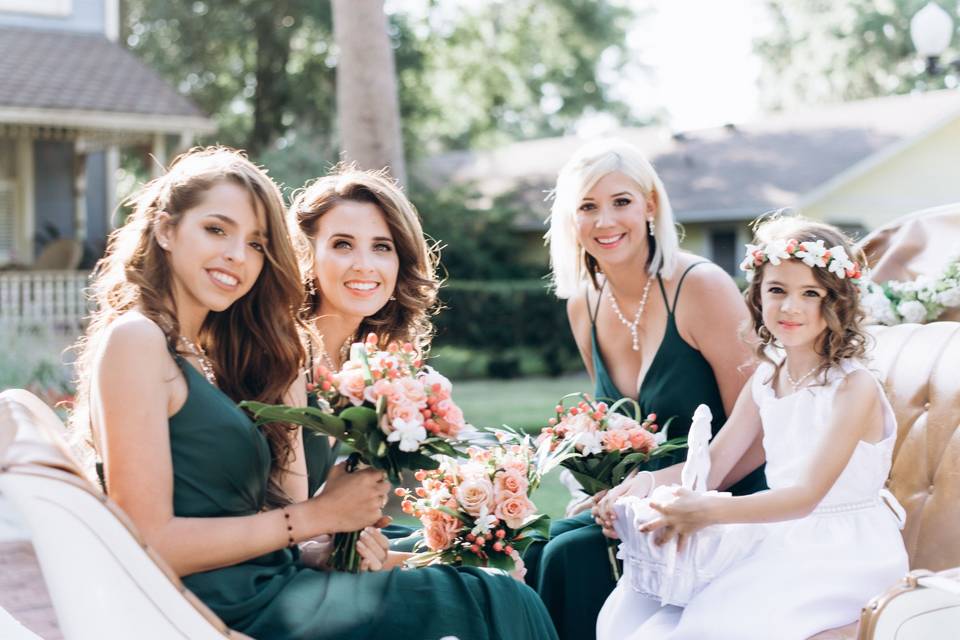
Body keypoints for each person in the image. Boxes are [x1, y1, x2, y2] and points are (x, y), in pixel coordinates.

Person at [71, 148, 558, 640]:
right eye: (216, 230)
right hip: (236, 609)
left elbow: (229, 510)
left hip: (270, 582)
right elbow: (147, 539)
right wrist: (314, 518)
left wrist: (317, 544)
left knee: (496, 580)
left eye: (257, 243)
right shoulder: (137, 339)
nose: (237, 255)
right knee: (490, 596)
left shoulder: (197, 353)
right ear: (165, 229)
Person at [595, 216, 909, 639]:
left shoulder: (853, 387)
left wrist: (708, 510)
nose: (790, 307)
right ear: (758, 295)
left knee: (711, 627)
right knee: (627, 614)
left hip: (844, 548)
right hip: (778, 534)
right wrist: (644, 487)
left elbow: (804, 498)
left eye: (810, 294)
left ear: (836, 302)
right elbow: (715, 463)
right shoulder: (767, 376)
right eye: (777, 290)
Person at [523, 138, 767, 640]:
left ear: (650, 205)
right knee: (540, 543)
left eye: (621, 202)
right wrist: (604, 493)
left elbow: (761, 436)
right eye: (587, 207)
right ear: (572, 220)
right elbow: (618, 433)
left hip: (723, 501)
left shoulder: (701, 287)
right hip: (639, 509)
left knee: (571, 554)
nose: (605, 222)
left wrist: (661, 487)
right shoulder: (583, 305)